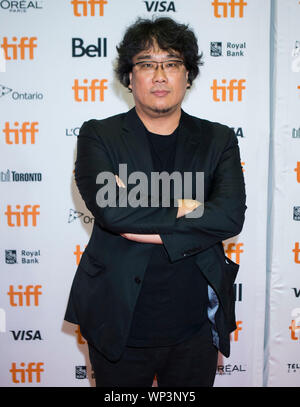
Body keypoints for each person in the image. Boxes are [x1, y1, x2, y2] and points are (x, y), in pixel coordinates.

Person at [64, 16, 246, 387]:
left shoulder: (218, 140)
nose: (160, 75)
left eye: (172, 63)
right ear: (130, 78)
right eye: (147, 64)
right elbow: (113, 211)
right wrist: (191, 209)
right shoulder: (99, 134)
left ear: (188, 75)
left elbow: (229, 217)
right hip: (118, 321)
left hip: (195, 325)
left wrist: (142, 214)